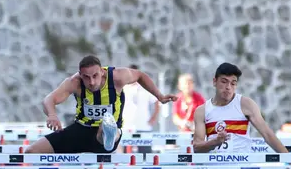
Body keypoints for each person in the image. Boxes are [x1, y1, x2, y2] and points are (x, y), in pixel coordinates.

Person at [25, 55, 177, 154]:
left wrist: (160, 96)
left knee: (106, 126)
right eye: (86, 77)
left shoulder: (117, 77)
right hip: (80, 130)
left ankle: (108, 135)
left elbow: (140, 76)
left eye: (95, 76)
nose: (91, 82)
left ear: (102, 72)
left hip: (106, 132)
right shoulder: (74, 82)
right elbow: (49, 99)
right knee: (31, 152)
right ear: (80, 75)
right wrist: (52, 115)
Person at [121, 64, 161, 154]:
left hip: (143, 125)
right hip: (127, 125)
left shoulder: (145, 87)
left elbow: (156, 102)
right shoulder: (123, 88)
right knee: (126, 154)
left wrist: (154, 117)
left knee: (145, 153)